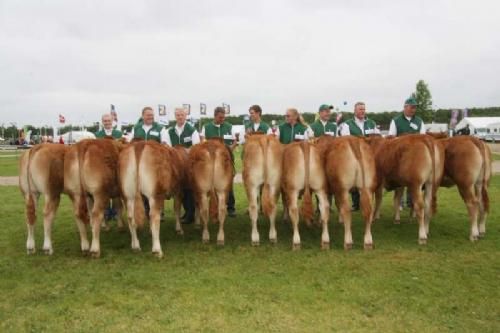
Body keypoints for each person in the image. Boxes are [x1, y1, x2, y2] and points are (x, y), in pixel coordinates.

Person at [339, 102, 380, 211]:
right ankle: (356, 203)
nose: (362, 111)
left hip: (371, 156)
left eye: (363, 109)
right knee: (355, 180)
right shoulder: (347, 124)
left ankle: (369, 202)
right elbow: (344, 140)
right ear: (355, 111)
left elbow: (379, 138)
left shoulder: (371, 123)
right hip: (354, 156)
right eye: (360, 109)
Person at [388, 97, 426, 209]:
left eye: (415, 108)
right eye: (411, 107)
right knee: (399, 180)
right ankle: (399, 202)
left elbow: (423, 137)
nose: (413, 109)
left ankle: (412, 202)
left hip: (416, 156)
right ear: (405, 107)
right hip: (400, 156)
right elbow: (391, 138)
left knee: (414, 179)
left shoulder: (419, 121)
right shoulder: (396, 121)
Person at [200, 106, 238, 217]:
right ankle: (213, 205)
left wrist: (229, 150)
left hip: (226, 160)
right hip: (210, 160)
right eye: (220, 117)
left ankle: (230, 207)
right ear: (215, 116)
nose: (222, 119)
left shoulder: (229, 127)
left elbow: (235, 142)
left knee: (228, 183)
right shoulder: (206, 127)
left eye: (224, 117)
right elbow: (202, 141)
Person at [166, 107, 200, 224]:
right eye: (178, 115)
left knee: (190, 188)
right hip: (176, 165)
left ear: (186, 116)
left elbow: (195, 147)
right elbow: (168, 147)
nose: (180, 117)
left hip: (189, 164)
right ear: (175, 116)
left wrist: (184, 152)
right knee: (179, 188)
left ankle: (191, 213)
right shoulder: (169, 131)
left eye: (182, 115)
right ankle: (187, 213)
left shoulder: (192, 130)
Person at [95, 113, 123, 221]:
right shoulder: (97, 134)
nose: (107, 123)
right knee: (103, 190)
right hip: (102, 166)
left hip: (116, 165)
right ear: (102, 122)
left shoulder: (118, 133)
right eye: (105, 121)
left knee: (116, 192)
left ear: (112, 122)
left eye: (109, 121)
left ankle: (117, 213)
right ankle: (106, 212)